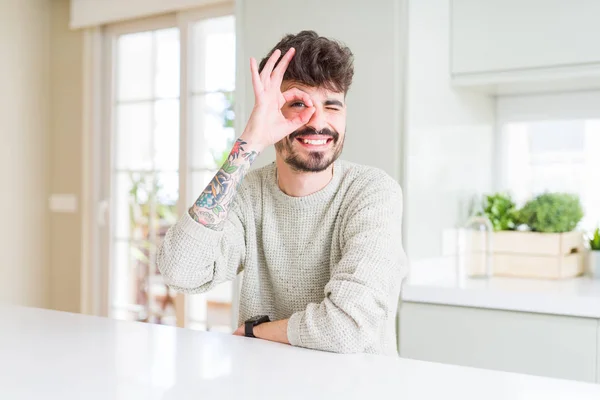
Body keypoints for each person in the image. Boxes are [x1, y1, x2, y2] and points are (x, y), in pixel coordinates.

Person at [157, 30, 407, 355]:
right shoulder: (249, 194)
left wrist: (255, 332)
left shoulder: (373, 192)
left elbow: (348, 327)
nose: (317, 122)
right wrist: (249, 142)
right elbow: (181, 271)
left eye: (332, 106)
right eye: (298, 104)